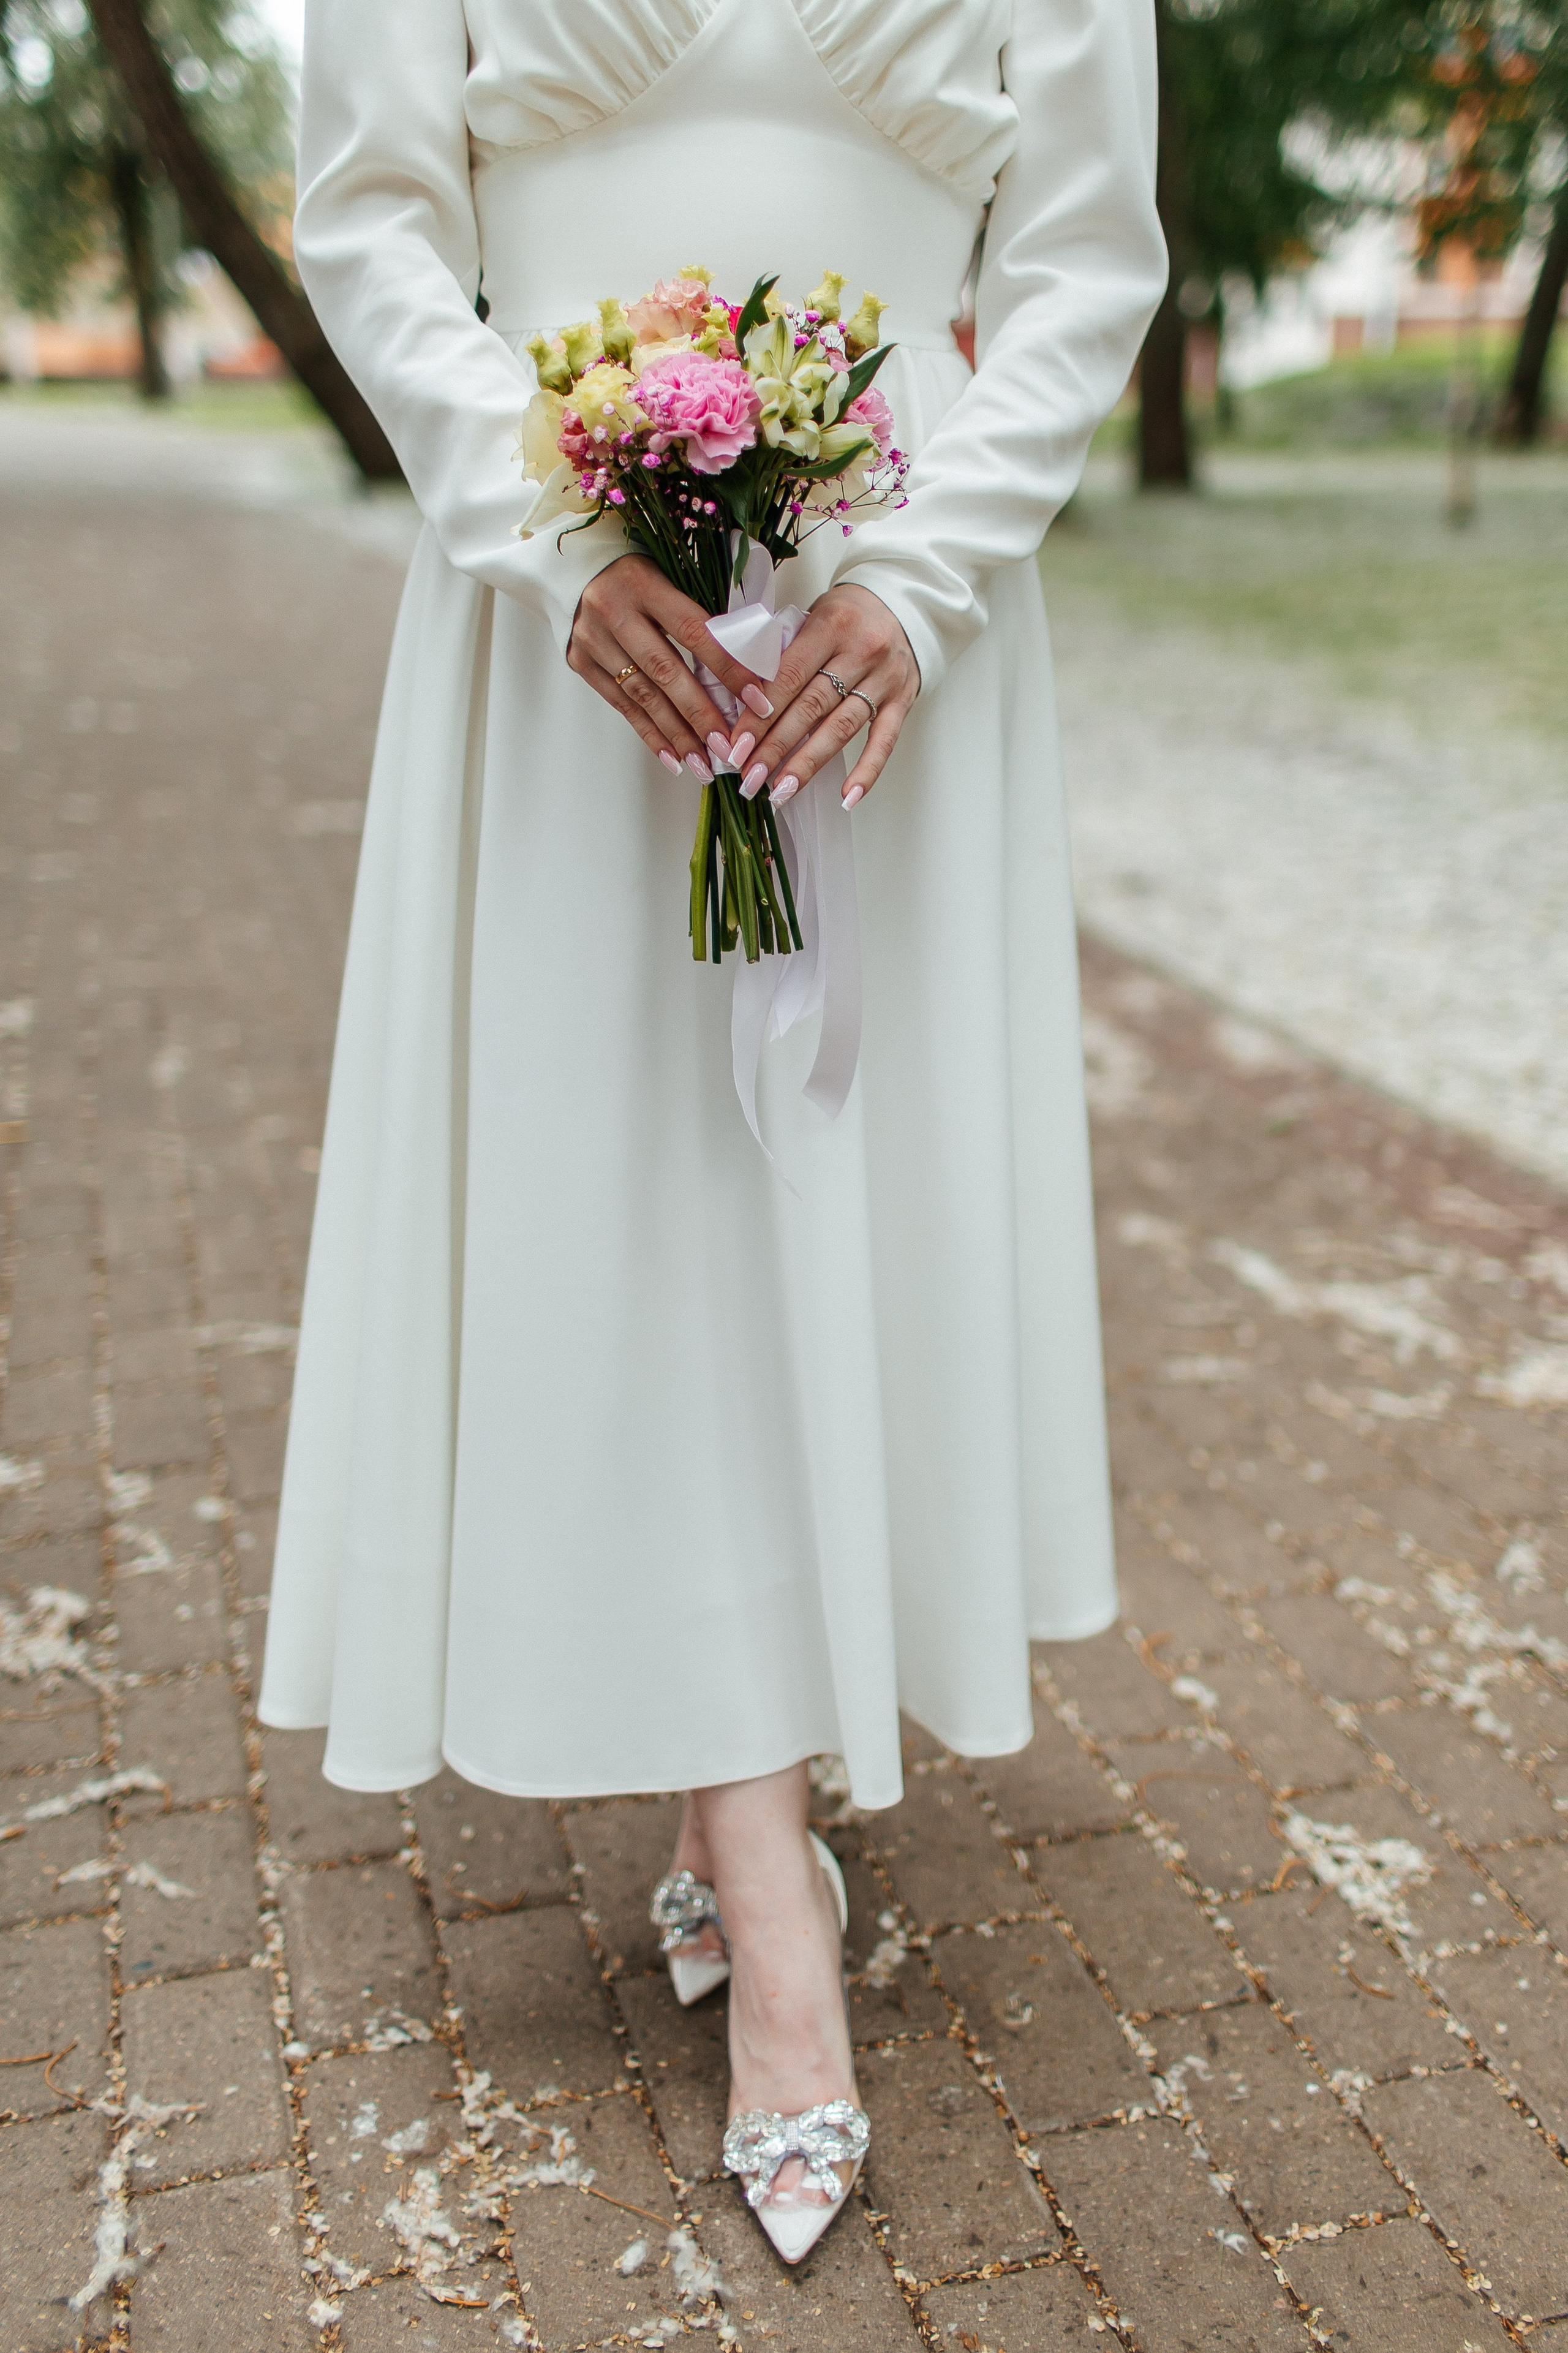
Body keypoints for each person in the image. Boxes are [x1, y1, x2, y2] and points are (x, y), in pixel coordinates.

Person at [259, 0, 1165, 2265]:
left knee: (811, 1189)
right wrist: (553, 537)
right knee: (638, 1206)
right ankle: (771, 1900)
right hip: (579, 620)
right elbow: (375, 217)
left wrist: (919, 574)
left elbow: (1086, 255)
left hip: (891, 631)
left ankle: (728, 1788)